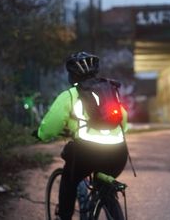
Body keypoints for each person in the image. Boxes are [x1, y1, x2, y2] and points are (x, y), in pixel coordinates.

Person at [34, 52, 129, 220]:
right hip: (118, 155)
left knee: (69, 181)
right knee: (104, 186)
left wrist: (41, 135)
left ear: (72, 75)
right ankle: (107, 201)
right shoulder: (109, 91)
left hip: (87, 154)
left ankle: (64, 216)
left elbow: (51, 125)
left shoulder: (70, 95)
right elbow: (124, 121)